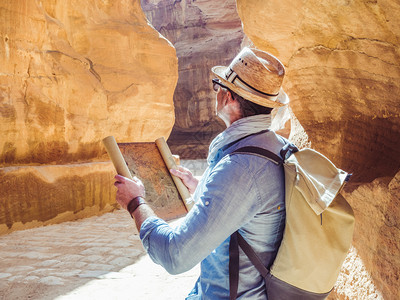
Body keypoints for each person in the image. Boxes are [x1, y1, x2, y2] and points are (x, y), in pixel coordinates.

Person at [114, 47, 291, 299]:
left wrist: (135, 202)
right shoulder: (275, 146)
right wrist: (201, 185)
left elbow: (176, 255)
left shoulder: (240, 168)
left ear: (228, 97)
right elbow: (252, 208)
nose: (215, 92)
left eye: (217, 86)